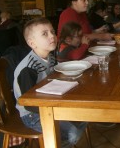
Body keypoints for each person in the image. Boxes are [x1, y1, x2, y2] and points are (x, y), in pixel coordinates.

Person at [13, 17, 87, 148]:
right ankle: (60, 143)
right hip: (32, 114)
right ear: (32, 43)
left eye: (52, 31)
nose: (52, 36)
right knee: (73, 133)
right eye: (44, 34)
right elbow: (28, 104)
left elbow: (55, 78)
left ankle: (64, 142)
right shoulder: (28, 68)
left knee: (85, 116)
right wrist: (58, 110)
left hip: (48, 102)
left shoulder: (50, 57)